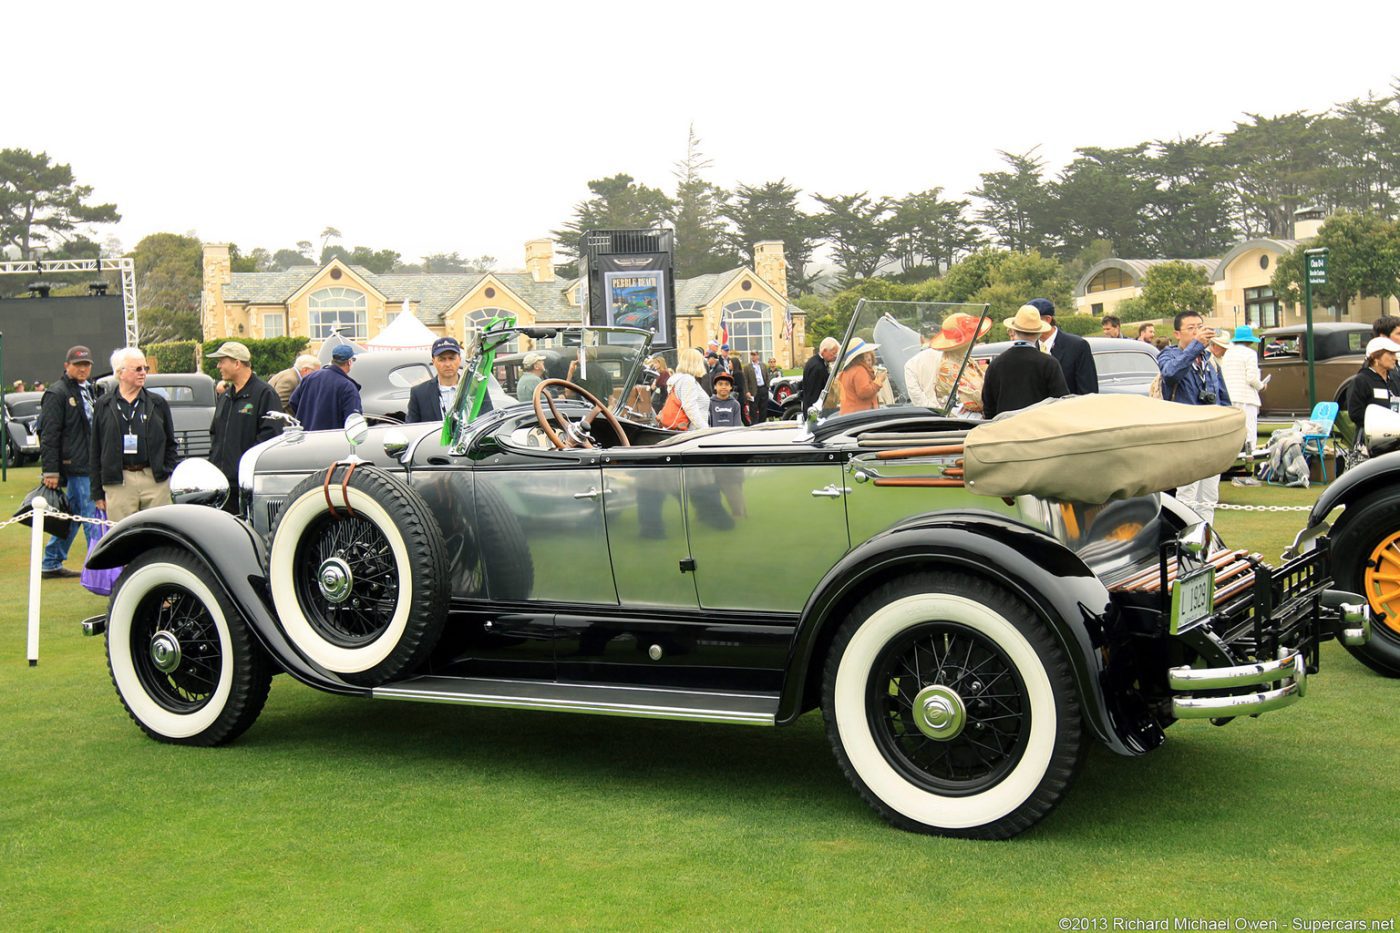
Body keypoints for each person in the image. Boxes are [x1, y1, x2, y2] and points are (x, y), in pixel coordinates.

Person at [1157, 312, 1232, 525]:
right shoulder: (1169, 355)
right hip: (1186, 436)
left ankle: (1207, 542)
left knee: (1209, 496)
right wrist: (1195, 346)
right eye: (1191, 328)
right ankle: (1185, 542)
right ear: (1177, 333)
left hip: (1211, 436)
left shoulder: (1209, 360)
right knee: (1187, 493)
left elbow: (1223, 397)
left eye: (1200, 326)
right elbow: (1171, 374)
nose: (1197, 331)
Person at [91, 348, 179, 522]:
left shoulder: (157, 403)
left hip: (154, 479)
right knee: (123, 538)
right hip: (119, 481)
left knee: (158, 533)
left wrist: (166, 472)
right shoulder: (104, 404)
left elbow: (170, 443)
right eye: (137, 369)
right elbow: (95, 449)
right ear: (120, 373)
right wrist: (97, 492)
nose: (143, 373)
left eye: (145, 368)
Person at [37, 346, 101, 578]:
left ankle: (51, 562)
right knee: (90, 517)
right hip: (76, 465)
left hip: (89, 463)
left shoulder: (90, 390)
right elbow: (49, 434)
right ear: (67, 366)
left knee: (71, 517)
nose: (83, 369)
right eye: (78, 365)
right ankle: (99, 568)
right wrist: (51, 470)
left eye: (86, 364)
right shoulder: (57, 393)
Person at [207, 341, 283, 512]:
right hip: (223, 484)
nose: (218, 366)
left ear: (237, 363)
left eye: (222, 361)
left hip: (249, 485)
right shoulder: (225, 396)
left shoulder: (265, 394)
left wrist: (245, 467)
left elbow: (270, 437)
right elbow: (215, 434)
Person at [981, 305, 1068, 419]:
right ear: (1039, 333)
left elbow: (988, 407)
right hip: (1040, 430)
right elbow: (1062, 402)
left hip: (1004, 430)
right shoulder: (1049, 363)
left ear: (1014, 331)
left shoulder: (996, 364)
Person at [1028, 298, 1098, 395]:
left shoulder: (1077, 346)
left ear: (1048, 319)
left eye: (1031, 321)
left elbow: (1088, 390)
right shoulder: (1029, 349)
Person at [1218, 326, 1266, 458]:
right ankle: (1249, 461)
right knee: (1249, 432)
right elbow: (1252, 379)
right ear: (1249, 341)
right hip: (1246, 397)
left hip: (1229, 396)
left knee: (1232, 431)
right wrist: (1262, 386)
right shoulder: (1250, 353)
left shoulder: (1227, 352)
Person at [290, 344, 362, 431]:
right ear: (349, 362)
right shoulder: (347, 386)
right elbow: (353, 419)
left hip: (306, 437)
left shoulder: (310, 378)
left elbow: (293, 401)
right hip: (330, 439)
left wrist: (306, 418)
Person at [1347, 337, 1400, 441]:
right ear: (1376, 357)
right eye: (1390, 354)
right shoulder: (1361, 381)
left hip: (1395, 438)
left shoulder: (1395, 379)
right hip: (1370, 440)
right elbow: (1355, 413)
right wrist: (1381, 424)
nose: (1395, 358)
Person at [407, 337, 465, 421]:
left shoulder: (475, 389)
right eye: (442, 359)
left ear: (459, 359)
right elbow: (412, 429)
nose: (448, 364)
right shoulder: (419, 394)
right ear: (433, 361)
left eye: (451, 358)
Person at [659, 348, 710, 430]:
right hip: (692, 432)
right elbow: (690, 407)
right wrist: (704, 428)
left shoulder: (678, 379)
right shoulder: (688, 380)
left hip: (684, 430)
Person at [837, 339, 885, 415]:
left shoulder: (847, 371)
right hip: (860, 415)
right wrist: (879, 380)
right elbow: (864, 392)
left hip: (850, 414)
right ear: (860, 356)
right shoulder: (859, 370)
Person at [801, 337, 840, 416]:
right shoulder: (818, 368)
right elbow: (814, 393)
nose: (835, 356)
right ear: (824, 351)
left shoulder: (815, 362)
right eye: (833, 353)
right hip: (815, 411)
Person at [746, 351, 769, 424]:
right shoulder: (747, 367)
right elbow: (745, 380)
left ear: (758, 356)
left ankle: (762, 423)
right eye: (752, 355)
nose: (753, 356)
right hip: (753, 390)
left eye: (754, 355)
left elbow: (767, 376)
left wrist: (767, 387)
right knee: (753, 409)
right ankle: (754, 424)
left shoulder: (763, 365)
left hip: (763, 388)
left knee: (763, 408)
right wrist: (747, 391)